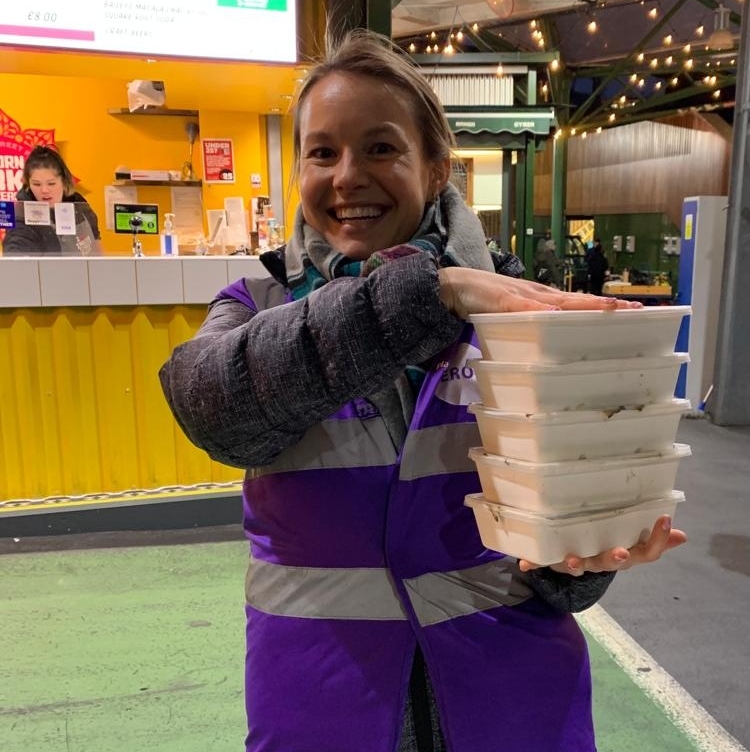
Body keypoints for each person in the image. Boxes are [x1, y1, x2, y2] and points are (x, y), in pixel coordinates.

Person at [159, 29, 686, 752]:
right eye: (323, 152)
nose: (347, 176)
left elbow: (565, 522)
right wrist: (430, 293)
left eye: (380, 149)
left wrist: (583, 561)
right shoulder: (256, 304)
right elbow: (212, 408)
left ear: (437, 170)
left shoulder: (517, 312)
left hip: (512, 697)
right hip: (323, 703)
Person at [2, 145, 101, 256]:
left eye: (51, 183)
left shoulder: (80, 206)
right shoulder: (21, 217)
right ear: (28, 184)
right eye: (36, 184)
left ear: (64, 182)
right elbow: (16, 252)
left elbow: (97, 251)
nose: (44, 190)